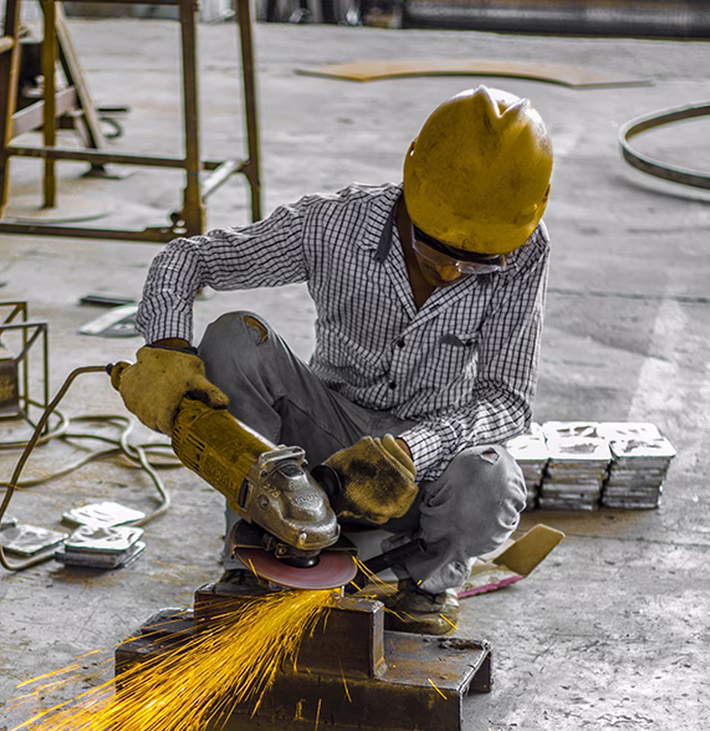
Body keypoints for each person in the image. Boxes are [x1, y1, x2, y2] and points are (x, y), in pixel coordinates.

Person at [113, 85, 553, 636]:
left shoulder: (523, 252)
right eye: (435, 250)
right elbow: (188, 259)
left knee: (490, 485)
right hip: (324, 436)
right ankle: (258, 550)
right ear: (411, 186)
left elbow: (508, 400)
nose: (450, 273)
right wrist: (167, 347)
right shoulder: (334, 226)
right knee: (232, 339)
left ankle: (421, 587)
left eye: (477, 263)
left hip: (428, 459)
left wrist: (409, 448)